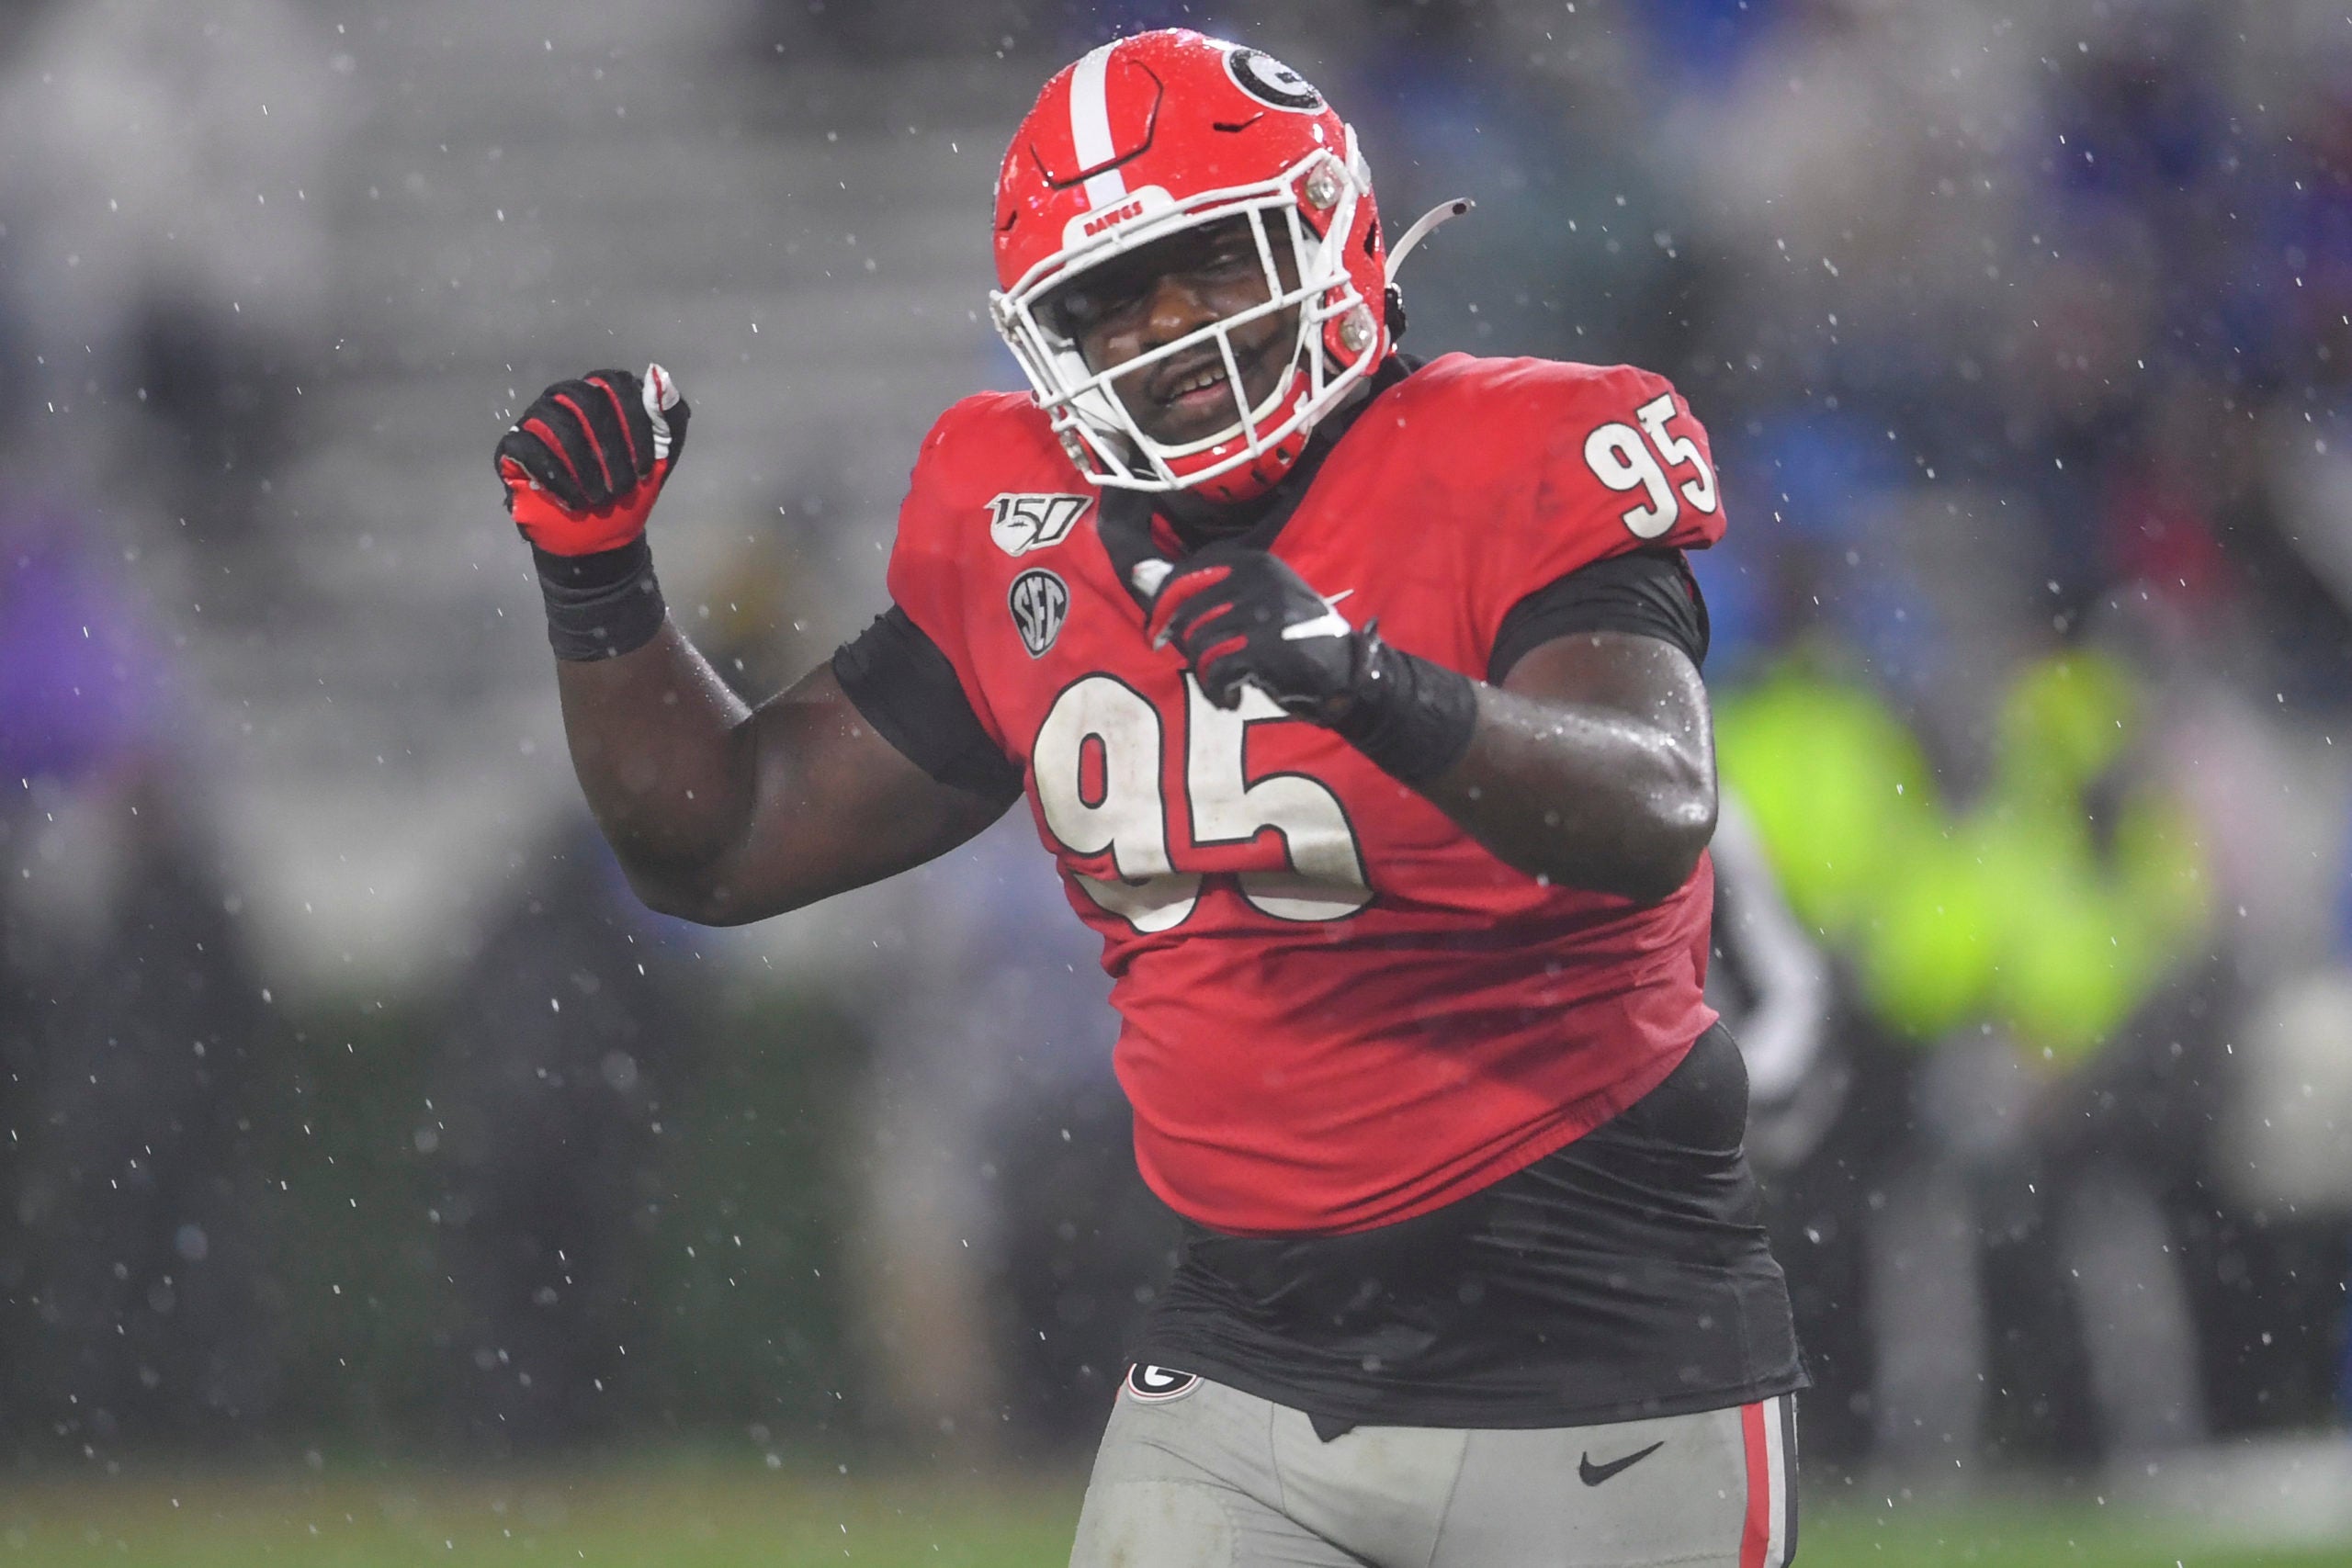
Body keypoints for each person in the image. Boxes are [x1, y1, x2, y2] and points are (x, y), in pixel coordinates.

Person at [492, 29, 1801, 1567]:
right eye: (1108, 301)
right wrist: (600, 592)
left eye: (1206, 264)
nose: (1169, 327)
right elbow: (721, 840)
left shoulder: (1526, 440)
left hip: (1599, 1357)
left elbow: (1652, 802)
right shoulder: (1019, 514)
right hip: (1239, 1367)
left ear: (1329, 235)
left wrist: (1372, 684)